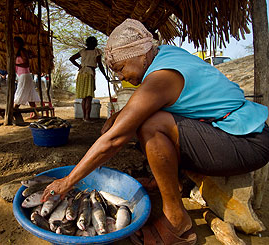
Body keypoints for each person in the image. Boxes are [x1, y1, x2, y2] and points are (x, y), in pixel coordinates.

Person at [41, 19, 269, 244]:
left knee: (150, 125)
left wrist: (67, 181)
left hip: (247, 141)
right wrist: (115, 117)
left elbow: (115, 139)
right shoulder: (164, 54)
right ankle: (173, 181)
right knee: (138, 119)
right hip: (230, 130)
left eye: (120, 68)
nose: (120, 77)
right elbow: (141, 108)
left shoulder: (162, 77)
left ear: (141, 55)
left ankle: (177, 221)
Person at [69, 36, 108, 122]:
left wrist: (79, 66)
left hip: (81, 74)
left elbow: (71, 58)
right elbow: (100, 65)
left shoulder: (83, 51)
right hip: (89, 73)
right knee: (89, 97)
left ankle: (84, 117)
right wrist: (105, 75)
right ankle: (87, 117)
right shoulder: (96, 52)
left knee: (84, 97)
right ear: (95, 44)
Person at [13, 36, 40, 118]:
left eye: (15, 42)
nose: (14, 43)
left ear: (19, 43)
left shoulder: (22, 51)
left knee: (20, 92)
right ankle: (36, 113)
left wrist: (16, 64)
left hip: (24, 75)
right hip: (24, 75)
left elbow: (26, 64)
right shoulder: (20, 51)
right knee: (29, 95)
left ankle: (13, 110)